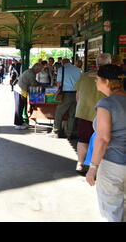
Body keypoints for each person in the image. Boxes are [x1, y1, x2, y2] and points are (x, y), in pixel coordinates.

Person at [86, 64, 126, 222]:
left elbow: (103, 138)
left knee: (112, 210)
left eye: (97, 79)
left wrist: (92, 168)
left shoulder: (106, 104)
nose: (95, 82)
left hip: (113, 165)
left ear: (107, 81)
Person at [74, 53, 111, 173]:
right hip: (104, 114)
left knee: (83, 139)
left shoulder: (85, 76)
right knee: (102, 140)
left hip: (84, 112)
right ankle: (96, 166)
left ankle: (80, 163)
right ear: (110, 63)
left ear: (96, 64)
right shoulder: (112, 78)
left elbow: (78, 95)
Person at [49, 58, 82, 138]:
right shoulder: (78, 70)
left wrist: (57, 91)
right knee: (72, 114)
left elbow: (58, 83)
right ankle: (70, 132)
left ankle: (56, 131)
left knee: (59, 112)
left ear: (63, 63)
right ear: (70, 62)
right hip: (76, 94)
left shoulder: (61, 69)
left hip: (66, 94)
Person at [13, 63, 43, 130]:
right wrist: (40, 84)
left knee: (21, 107)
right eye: (40, 70)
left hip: (22, 91)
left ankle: (20, 122)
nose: (40, 71)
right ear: (36, 68)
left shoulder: (30, 71)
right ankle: (18, 124)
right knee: (19, 108)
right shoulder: (31, 73)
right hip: (20, 91)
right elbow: (33, 83)